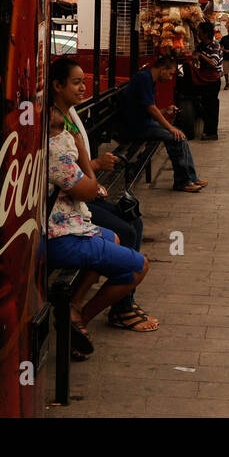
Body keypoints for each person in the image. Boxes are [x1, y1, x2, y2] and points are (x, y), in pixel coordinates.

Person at [50, 57, 157, 332]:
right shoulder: (56, 133)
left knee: (129, 225)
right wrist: (89, 161)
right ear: (57, 86)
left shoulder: (66, 117)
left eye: (84, 82)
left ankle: (80, 307)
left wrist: (90, 167)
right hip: (67, 217)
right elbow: (86, 184)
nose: (83, 88)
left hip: (77, 204)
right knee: (129, 234)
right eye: (76, 83)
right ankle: (119, 308)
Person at [46, 105, 151, 359]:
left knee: (115, 236)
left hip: (70, 222)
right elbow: (89, 190)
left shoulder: (54, 145)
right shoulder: (56, 153)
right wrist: (82, 153)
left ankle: (75, 308)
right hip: (61, 235)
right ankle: (79, 319)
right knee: (139, 267)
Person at [119, 56, 207, 192]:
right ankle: (182, 182)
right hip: (137, 127)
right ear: (162, 69)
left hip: (144, 122)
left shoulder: (149, 79)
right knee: (176, 137)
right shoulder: (144, 78)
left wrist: (166, 110)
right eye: (170, 73)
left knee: (180, 135)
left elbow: (147, 109)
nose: (171, 78)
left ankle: (191, 177)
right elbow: (151, 108)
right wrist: (170, 127)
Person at [192, 22, 224, 139]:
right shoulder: (200, 46)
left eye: (199, 31)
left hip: (213, 81)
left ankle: (212, 133)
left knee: (212, 107)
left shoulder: (215, 46)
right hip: (203, 79)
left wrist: (200, 56)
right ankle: (207, 130)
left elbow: (213, 63)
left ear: (205, 33)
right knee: (205, 106)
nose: (198, 33)